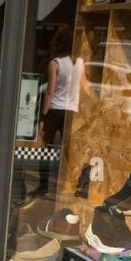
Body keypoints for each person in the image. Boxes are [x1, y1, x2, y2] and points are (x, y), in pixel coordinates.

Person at [37, 26, 90, 197]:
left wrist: (43, 116)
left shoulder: (55, 64)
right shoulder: (80, 63)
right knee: (70, 152)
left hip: (55, 111)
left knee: (45, 149)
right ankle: (72, 185)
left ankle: (43, 186)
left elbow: (50, 92)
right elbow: (84, 88)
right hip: (71, 113)